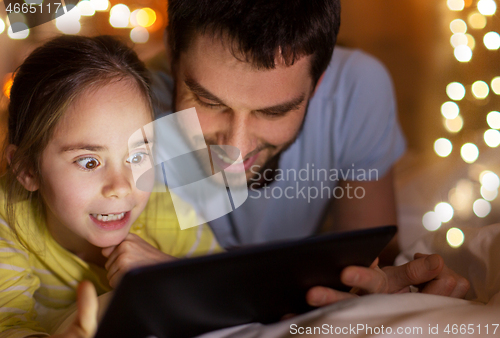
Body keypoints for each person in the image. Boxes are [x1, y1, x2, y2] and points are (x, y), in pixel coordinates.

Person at [149, 0, 470, 306]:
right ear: (172, 52)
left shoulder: (357, 88)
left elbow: (373, 260)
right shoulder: (126, 106)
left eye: (273, 113)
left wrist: (391, 285)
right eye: (209, 102)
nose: (236, 147)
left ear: (318, 83)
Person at [0, 35, 221, 337]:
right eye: (89, 162)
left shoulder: (164, 213)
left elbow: (227, 288)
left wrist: (167, 275)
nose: (121, 187)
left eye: (138, 155)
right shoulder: (6, 222)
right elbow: (8, 325)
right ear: (27, 169)